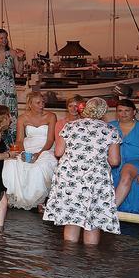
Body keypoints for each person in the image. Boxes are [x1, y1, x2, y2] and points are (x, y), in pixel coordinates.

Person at [43, 97, 123, 245]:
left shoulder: (69, 126)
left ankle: (69, 260)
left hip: (70, 176)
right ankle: (89, 262)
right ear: (104, 112)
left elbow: (59, 152)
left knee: (71, 219)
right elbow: (115, 161)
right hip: (95, 177)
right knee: (92, 221)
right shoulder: (110, 130)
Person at [2, 89, 58, 210]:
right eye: (38, 103)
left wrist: (38, 154)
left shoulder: (51, 116)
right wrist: (21, 152)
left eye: (43, 102)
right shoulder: (22, 118)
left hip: (45, 148)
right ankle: (14, 197)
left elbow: (50, 140)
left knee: (40, 166)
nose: (42, 105)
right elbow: (20, 140)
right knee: (11, 162)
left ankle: (39, 200)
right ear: (30, 104)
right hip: (27, 146)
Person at [109, 98, 139, 214]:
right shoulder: (110, 126)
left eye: (127, 111)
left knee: (127, 173)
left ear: (134, 112)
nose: (123, 114)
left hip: (136, 161)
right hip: (115, 160)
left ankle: (110, 210)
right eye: (120, 111)